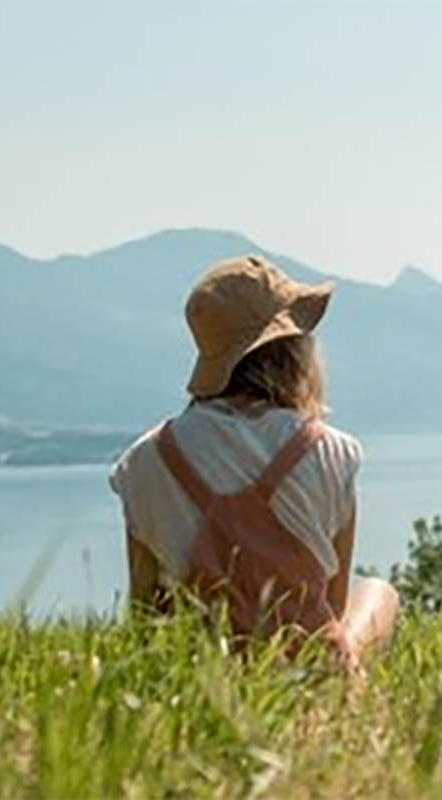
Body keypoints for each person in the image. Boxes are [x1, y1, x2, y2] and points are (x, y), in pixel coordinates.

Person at [109, 254, 399, 666]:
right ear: (293, 348)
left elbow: (144, 616)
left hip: (206, 679)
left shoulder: (144, 460)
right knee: (377, 592)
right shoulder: (333, 451)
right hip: (310, 674)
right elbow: (330, 609)